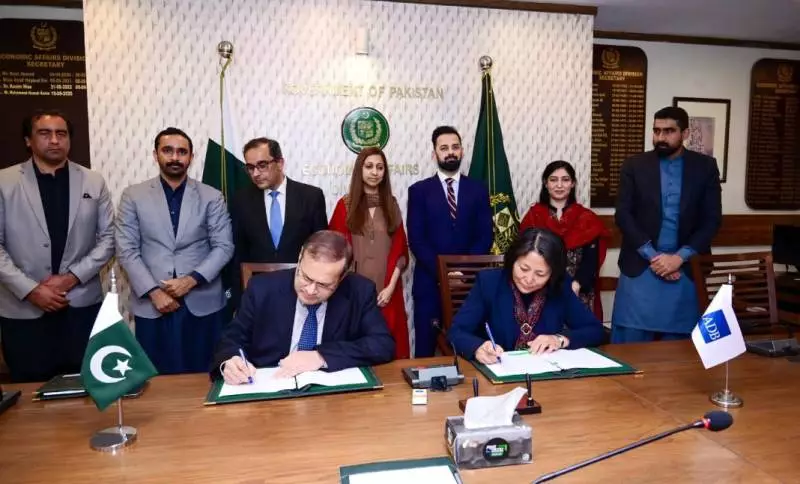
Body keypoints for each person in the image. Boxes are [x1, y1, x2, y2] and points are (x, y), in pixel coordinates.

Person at [0, 110, 115, 382]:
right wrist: (31, 290)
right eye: (45, 133)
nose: (54, 140)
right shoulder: (4, 181)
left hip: (80, 307)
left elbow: (109, 238)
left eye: (61, 134)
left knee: (86, 388)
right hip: (24, 310)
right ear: (28, 140)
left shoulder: (93, 181)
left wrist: (71, 278)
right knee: (30, 392)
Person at [116, 127, 234, 374]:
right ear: (155, 154)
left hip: (202, 302)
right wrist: (153, 292)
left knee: (205, 375)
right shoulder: (133, 195)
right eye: (167, 151)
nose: (174, 157)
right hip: (152, 304)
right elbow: (126, 249)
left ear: (191, 157)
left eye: (182, 152)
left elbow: (224, 246)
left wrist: (190, 280)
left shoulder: (211, 196)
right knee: (156, 379)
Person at [213, 230, 395, 384]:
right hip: (271, 388)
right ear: (300, 257)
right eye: (306, 277)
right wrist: (230, 361)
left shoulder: (360, 292)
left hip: (333, 397)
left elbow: (382, 344)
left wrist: (321, 356)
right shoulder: (261, 289)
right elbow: (231, 339)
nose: (310, 290)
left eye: (324, 285)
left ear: (342, 277)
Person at [612, 106, 722, 343]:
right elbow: (623, 215)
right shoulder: (634, 165)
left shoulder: (705, 167)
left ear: (685, 133)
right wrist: (654, 257)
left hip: (685, 269)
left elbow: (712, 219)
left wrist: (679, 258)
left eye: (669, 131)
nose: (660, 137)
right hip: (641, 267)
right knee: (631, 346)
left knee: (679, 350)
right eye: (656, 131)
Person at [448, 228, 604, 364]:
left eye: (540, 274)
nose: (529, 280)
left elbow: (595, 330)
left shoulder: (560, 287)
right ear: (512, 261)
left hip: (547, 376)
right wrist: (477, 347)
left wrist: (559, 339)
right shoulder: (489, 283)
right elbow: (456, 331)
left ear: (552, 274)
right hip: (498, 373)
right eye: (523, 269)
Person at [407, 126, 493, 357]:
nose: (450, 152)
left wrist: (462, 272)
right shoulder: (419, 191)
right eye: (444, 148)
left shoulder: (478, 189)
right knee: (425, 351)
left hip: (469, 284)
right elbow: (417, 240)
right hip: (429, 283)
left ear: (462, 151)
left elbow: (485, 236)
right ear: (434, 154)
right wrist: (444, 273)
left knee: (471, 348)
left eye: (455, 147)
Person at [328, 147, 410, 359]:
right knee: (355, 349)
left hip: (386, 290)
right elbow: (335, 251)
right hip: (353, 291)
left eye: (380, 168)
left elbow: (401, 251)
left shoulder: (391, 204)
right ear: (360, 170)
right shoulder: (345, 206)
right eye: (369, 166)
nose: (375, 172)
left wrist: (390, 288)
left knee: (389, 347)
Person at [228, 137, 327, 305]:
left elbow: (320, 249)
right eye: (250, 167)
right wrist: (239, 298)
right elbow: (238, 252)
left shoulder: (311, 196)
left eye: (262, 165)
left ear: (280, 163)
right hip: (258, 293)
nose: (255, 173)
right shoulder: (240, 200)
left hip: (302, 291)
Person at [520, 160, 609, 319]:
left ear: (573, 183)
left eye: (565, 180)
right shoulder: (534, 216)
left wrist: (576, 285)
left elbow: (591, 261)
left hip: (578, 289)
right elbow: (524, 256)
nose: (559, 185)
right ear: (546, 183)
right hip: (539, 288)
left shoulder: (587, 218)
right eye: (553, 180)